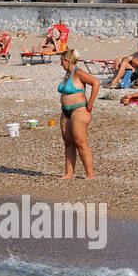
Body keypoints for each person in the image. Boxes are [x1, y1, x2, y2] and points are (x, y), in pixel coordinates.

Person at [56, 50, 99, 180]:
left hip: (79, 110)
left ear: (67, 61)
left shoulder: (78, 73)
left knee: (80, 142)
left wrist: (90, 102)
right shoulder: (67, 74)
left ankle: (90, 174)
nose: (60, 64)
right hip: (65, 111)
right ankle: (69, 173)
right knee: (68, 143)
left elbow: (95, 82)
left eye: (61, 61)